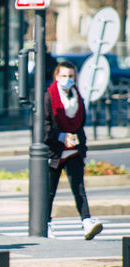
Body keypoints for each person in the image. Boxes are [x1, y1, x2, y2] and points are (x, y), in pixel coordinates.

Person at [44, 61, 103, 240]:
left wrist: (81, 148)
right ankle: (46, 225)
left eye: (70, 76)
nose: (67, 80)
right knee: (49, 191)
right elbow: (44, 126)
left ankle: (86, 222)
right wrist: (62, 137)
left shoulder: (78, 96)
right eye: (63, 76)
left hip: (74, 150)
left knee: (79, 188)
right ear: (56, 77)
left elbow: (81, 125)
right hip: (54, 151)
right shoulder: (49, 96)